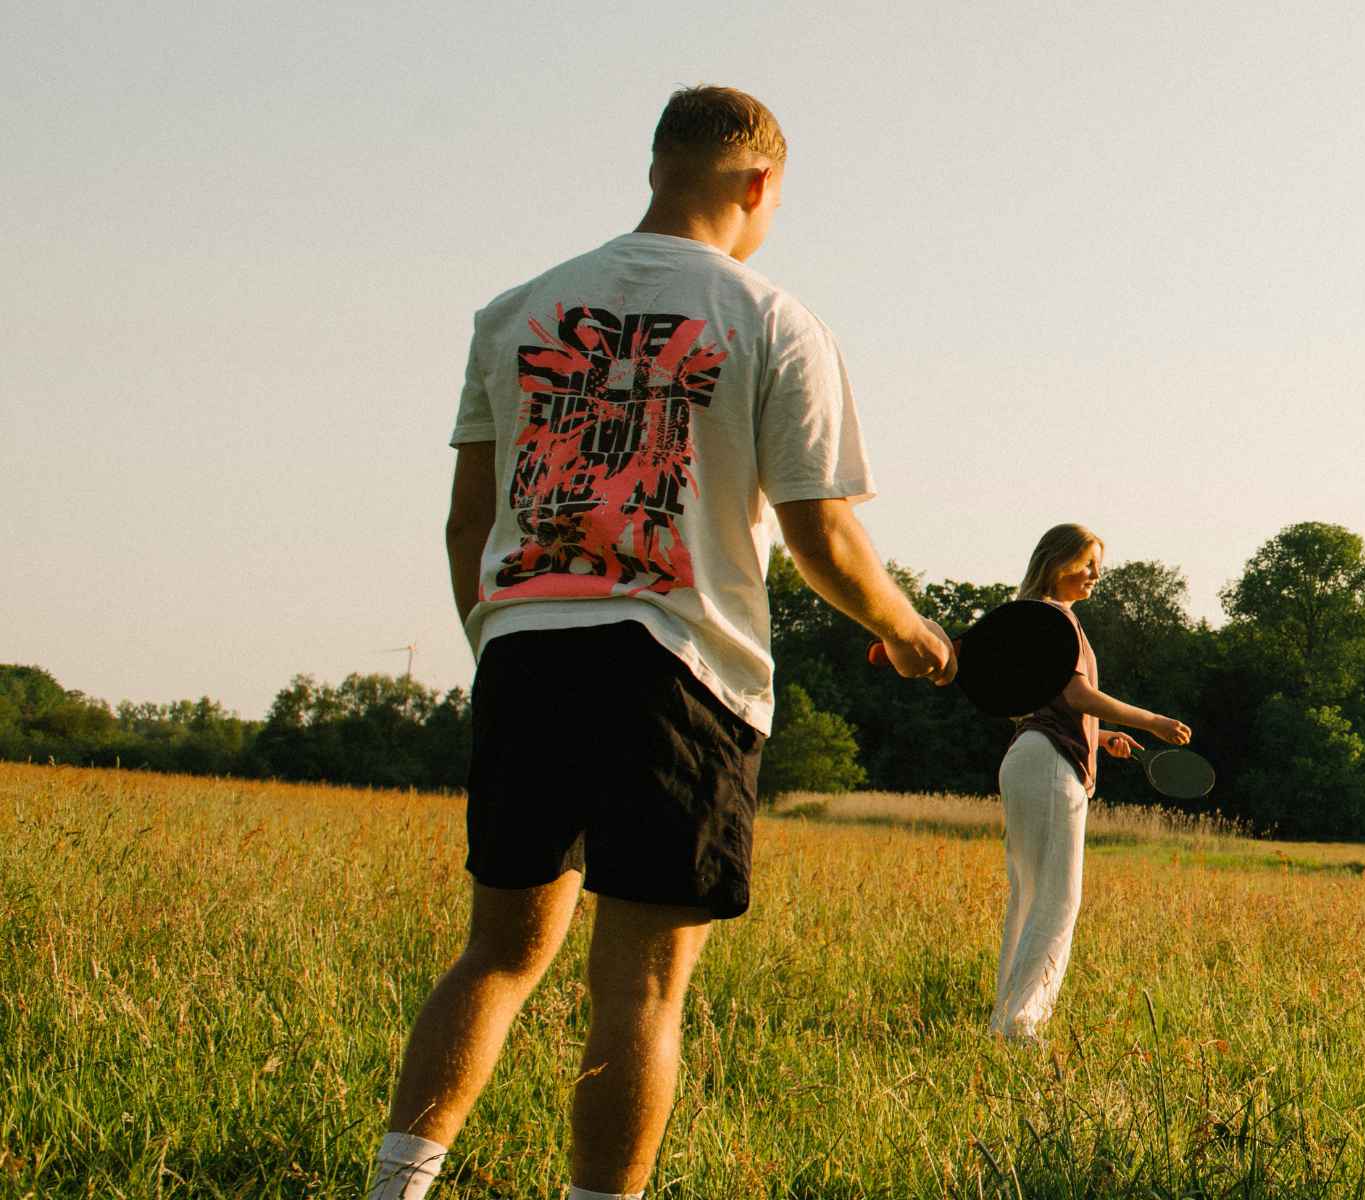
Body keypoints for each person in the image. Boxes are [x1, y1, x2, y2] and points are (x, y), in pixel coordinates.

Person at [367, 86, 955, 1200]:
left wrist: (500, 642)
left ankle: (396, 1187)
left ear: (656, 166)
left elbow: (466, 523)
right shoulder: (772, 319)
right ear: (760, 183)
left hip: (526, 650)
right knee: (639, 985)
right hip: (675, 669)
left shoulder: (516, 312)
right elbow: (821, 533)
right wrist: (907, 628)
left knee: (498, 953)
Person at [991, 524, 1193, 1040]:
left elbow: (1048, 704)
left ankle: (1007, 1020)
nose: (1095, 576)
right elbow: (1077, 696)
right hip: (1048, 765)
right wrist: (1151, 721)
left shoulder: (1029, 616)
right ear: (1056, 562)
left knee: (1030, 896)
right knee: (1057, 899)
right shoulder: (1056, 619)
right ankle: (1021, 1025)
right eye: (1087, 564)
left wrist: (1100, 738)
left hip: (1029, 757)